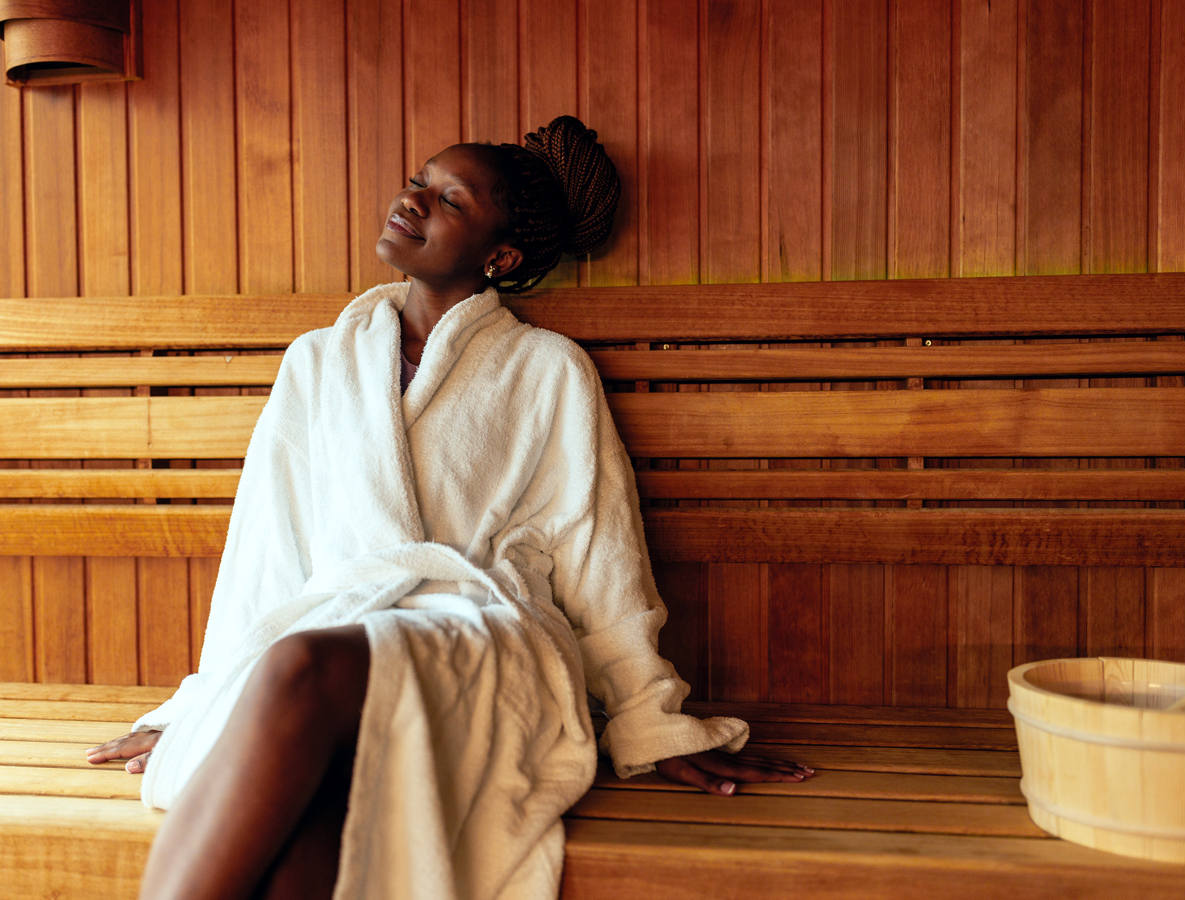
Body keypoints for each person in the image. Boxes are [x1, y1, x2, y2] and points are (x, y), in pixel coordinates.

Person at [85, 116, 812, 900]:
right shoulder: (319, 361)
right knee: (306, 833)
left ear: (500, 257)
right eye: (418, 180)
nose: (413, 199)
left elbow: (598, 554)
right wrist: (205, 698)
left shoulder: (547, 371)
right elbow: (268, 549)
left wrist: (647, 718)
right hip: (344, 635)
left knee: (299, 664)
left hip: (483, 637)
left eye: (449, 199)